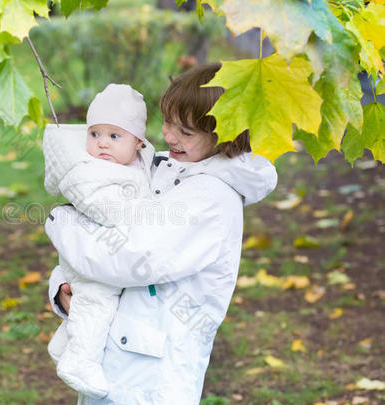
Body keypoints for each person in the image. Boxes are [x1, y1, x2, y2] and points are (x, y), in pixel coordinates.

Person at [45, 63, 278, 404]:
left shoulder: (210, 199)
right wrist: (64, 290)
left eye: (185, 132)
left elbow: (133, 258)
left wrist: (62, 224)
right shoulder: (163, 168)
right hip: (114, 355)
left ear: (224, 133)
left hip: (151, 376)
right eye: (168, 122)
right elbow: (105, 228)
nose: (169, 136)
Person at [43, 84, 156, 398]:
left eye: (114, 136)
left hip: (102, 249)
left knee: (93, 305)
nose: (102, 143)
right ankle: (80, 360)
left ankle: (65, 343)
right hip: (92, 253)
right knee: (97, 303)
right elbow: (103, 207)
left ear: (138, 143)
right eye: (95, 134)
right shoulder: (88, 170)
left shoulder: (135, 167)